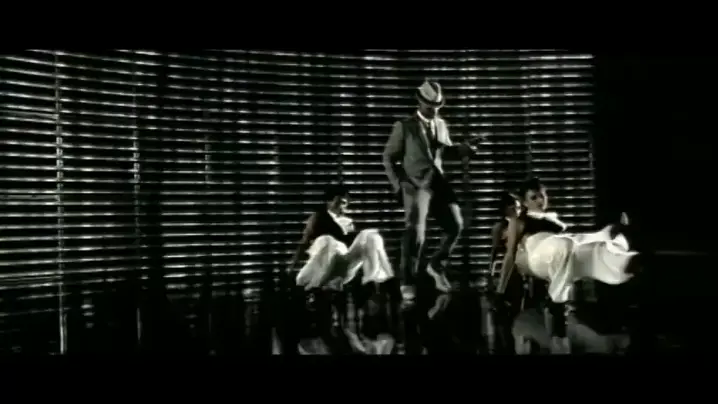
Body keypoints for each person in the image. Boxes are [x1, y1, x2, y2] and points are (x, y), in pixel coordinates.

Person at [496, 177, 638, 352]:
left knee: (586, 249)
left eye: (542, 195)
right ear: (524, 202)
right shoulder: (519, 221)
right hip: (537, 252)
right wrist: (500, 291)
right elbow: (510, 255)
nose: (540, 200)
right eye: (534, 197)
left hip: (559, 252)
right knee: (566, 244)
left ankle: (622, 257)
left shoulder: (553, 220)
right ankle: (557, 301)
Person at [382, 79, 488, 300]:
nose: (434, 110)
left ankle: (436, 264)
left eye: (438, 106)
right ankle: (408, 281)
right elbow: (389, 157)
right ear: (420, 102)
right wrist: (399, 185)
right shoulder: (404, 126)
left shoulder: (441, 124)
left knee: (455, 225)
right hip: (416, 185)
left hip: (438, 182)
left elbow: (444, 151)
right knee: (416, 234)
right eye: (430, 106)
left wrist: (465, 149)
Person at [286, 184, 394, 292]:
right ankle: (316, 286)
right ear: (329, 201)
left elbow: (356, 249)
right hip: (319, 267)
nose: (342, 206)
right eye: (339, 202)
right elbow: (304, 243)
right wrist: (291, 269)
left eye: (345, 203)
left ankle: (376, 281)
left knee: (370, 235)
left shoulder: (348, 222)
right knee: (328, 240)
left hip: (341, 267)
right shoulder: (318, 218)